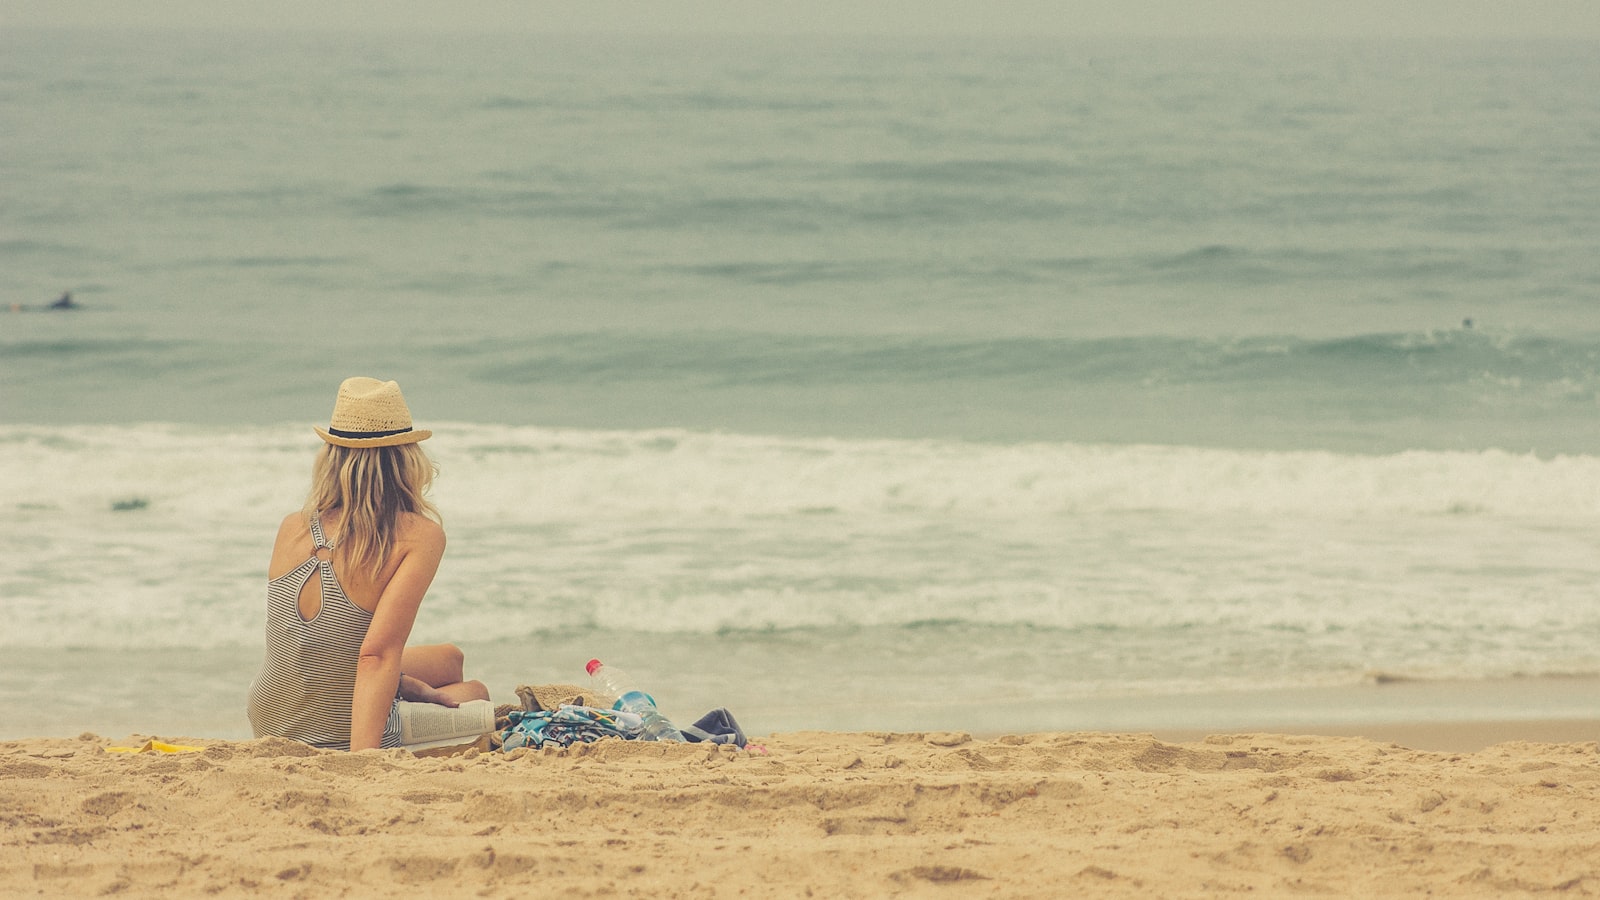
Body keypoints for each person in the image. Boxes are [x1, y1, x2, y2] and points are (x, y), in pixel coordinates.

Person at [247, 376, 488, 751]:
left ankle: (400, 687)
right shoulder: (419, 535)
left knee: (449, 659)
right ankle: (389, 707)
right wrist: (362, 763)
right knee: (476, 692)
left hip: (270, 715)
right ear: (406, 457)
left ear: (332, 456)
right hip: (339, 728)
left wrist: (401, 681)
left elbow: (316, 642)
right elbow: (376, 655)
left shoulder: (292, 526)